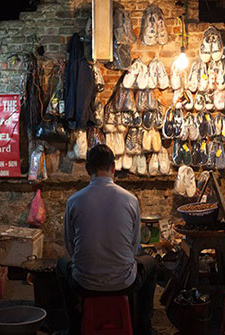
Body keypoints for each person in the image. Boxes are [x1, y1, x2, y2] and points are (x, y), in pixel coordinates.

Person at [57, 144, 157, 335]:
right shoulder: (130, 199)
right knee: (151, 264)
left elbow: (70, 247)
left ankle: (74, 326)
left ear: (88, 170)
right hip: (124, 283)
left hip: (84, 283)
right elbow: (135, 247)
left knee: (62, 264)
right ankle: (143, 328)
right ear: (113, 168)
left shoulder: (74, 201)